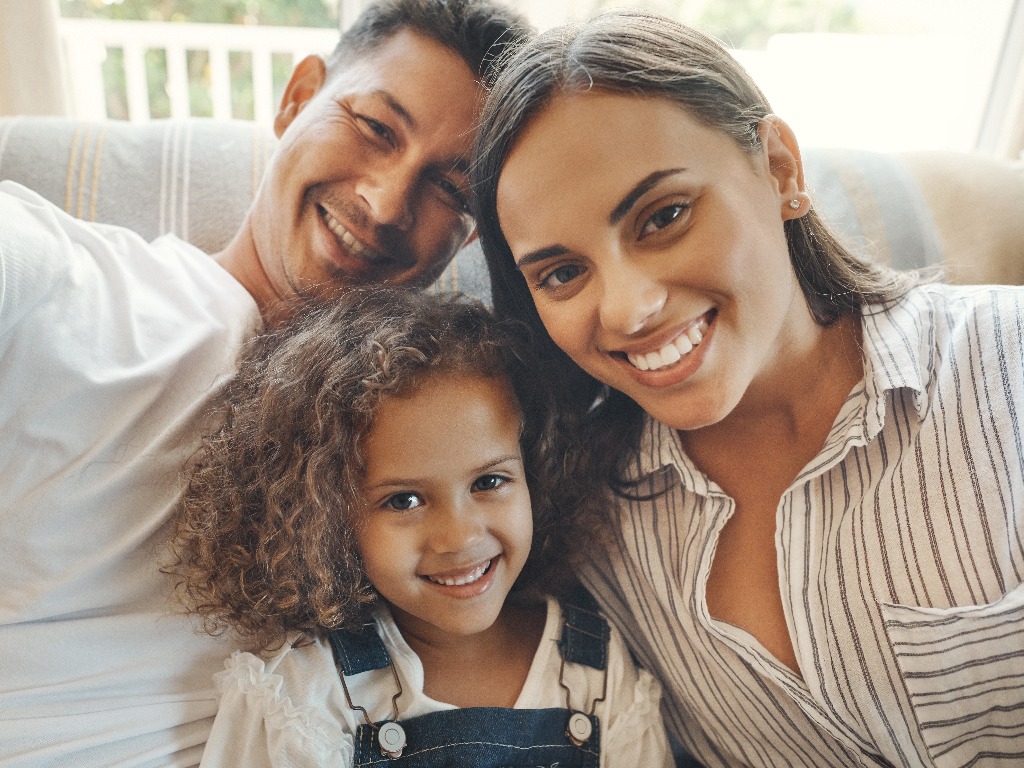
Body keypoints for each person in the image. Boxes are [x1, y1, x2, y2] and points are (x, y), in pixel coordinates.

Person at [470, 9, 1024, 767]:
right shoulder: (571, 509)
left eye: (663, 217)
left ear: (780, 169)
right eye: (563, 273)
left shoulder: (1008, 363)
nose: (630, 308)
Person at [0, 1, 529, 765]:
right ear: (295, 98)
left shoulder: (446, 434)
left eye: (450, 189)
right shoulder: (69, 282)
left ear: (470, 235)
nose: (384, 205)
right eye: (376, 128)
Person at [168, 287, 673, 767]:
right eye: (404, 500)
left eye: (489, 481)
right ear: (325, 520)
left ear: (535, 473)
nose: (460, 537)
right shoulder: (307, 695)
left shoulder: (593, 670)